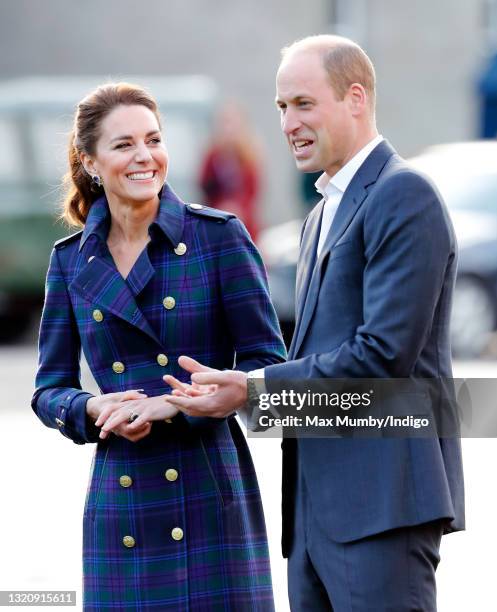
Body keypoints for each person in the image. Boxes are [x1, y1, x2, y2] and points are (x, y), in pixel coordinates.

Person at [165, 35, 465, 611]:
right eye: (281, 108)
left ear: (356, 98)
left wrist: (254, 392)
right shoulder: (321, 213)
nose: (288, 122)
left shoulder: (405, 194)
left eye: (303, 103)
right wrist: (230, 393)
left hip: (383, 509)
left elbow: (382, 358)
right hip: (314, 517)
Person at [31, 82, 286, 611]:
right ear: (92, 162)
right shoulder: (71, 261)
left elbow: (268, 364)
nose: (145, 156)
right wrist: (91, 407)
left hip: (206, 485)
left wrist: (182, 399)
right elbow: (48, 390)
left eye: (154, 139)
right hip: (122, 495)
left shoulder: (219, 238)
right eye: (124, 144)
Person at [198, 101, 262, 241]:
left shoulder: (249, 156)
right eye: (225, 123)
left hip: (243, 222)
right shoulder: (212, 155)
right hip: (216, 219)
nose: (229, 129)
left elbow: (252, 192)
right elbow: (205, 187)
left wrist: (237, 207)